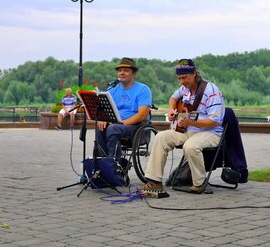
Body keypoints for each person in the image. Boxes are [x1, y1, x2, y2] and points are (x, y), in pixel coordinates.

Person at [140, 59, 225, 193]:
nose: (182, 82)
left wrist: (190, 123)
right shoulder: (184, 89)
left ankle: (199, 183)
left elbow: (214, 121)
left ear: (195, 74)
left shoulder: (211, 90)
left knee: (190, 146)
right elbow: (173, 98)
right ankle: (154, 181)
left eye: (184, 78)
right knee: (161, 137)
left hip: (211, 132)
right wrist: (172, 110)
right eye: (179, 78)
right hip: (187, 130)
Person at [96, 57, 152, 159]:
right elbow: (104, 109)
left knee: (113, 128)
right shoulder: (112, 90)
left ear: (134, 74)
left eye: (126, 70)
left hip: (136, 126)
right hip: (116, 124)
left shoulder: (143, 89)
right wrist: (102, 119)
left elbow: (142, 115)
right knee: (100, 128)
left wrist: (121, 123)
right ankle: (102, 162)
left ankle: (114, 164)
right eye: (120, 70)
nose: (122, 73)